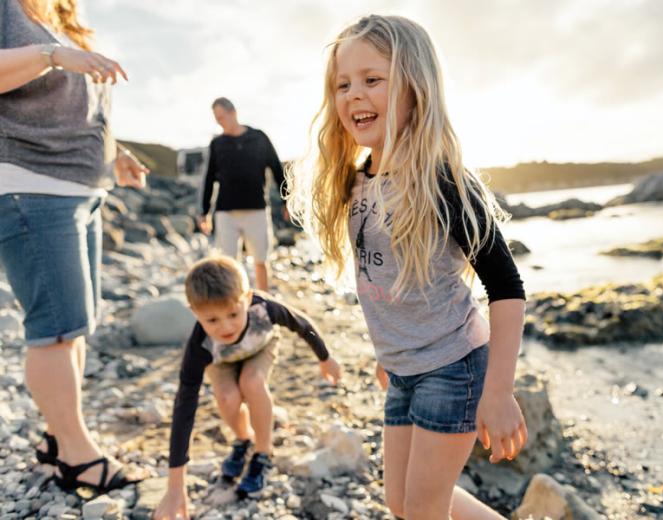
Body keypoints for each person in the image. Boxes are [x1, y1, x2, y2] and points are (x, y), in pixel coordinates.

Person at [287, 15, 528, 520]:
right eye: (342, 85)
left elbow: (505, 286)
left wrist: (499, 390)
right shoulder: (355, 182)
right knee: (401, 503)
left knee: (421, 510)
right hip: (402, 369)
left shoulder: (442, 180)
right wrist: (389, 351)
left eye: (373, 80)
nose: (354, 95)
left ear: (415, 87)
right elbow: (384, 279)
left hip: (453, 368)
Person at [0, 0, 148, 494]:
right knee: (55, 326)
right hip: (28, 183)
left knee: (75, 324)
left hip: (79, 188)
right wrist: (51, 55)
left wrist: (117, 153)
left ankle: (58, 438)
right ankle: (79, 456)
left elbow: (81, 107)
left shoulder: (57, 18)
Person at [154, 255, 341, 519]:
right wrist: (175, 486)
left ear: (247, 298)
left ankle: (263, 453)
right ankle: (243, 440)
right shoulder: (199, 346)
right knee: (227, 396)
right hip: (221, 360)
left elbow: (302, 324)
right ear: (194, 313)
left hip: (259, 348)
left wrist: (325, 357)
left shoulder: (263, 308)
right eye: (212, 320)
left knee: (252, 383)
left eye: (233, 313)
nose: (226, 326)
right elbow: (184, 408)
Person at [198, 97, 286, 291]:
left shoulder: (258, 138)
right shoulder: (217, 143)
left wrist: (287, 201)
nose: (219, 122)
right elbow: (209, 178)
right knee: (229, 263)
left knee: (261, 260)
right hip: (225, 212)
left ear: (233, 113)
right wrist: (204, 212)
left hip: (256, 209)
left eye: (221, 117)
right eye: (216, 119)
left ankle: (265, 301)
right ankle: (234, 302)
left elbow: (277, 168)